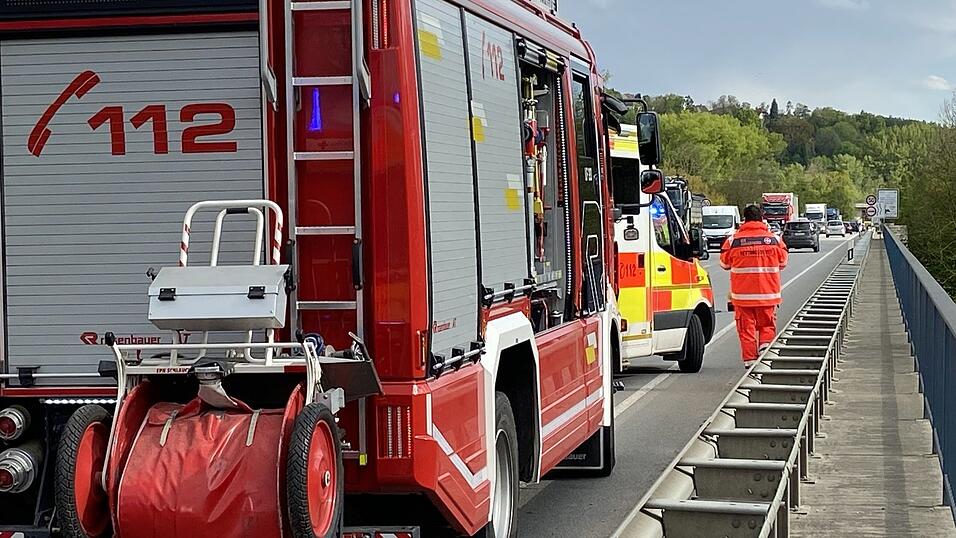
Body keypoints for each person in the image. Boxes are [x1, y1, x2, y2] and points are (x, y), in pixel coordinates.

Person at [720, 205, 789, 368]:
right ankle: (765, 346)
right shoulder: (774, 240)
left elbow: (724, 263)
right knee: (766, 325)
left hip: (743, 297)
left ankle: (750, 360)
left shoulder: (733, 240)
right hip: (768, 294)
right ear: (761, 218)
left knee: (746, 329)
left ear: (744, 219)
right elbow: (783, 262)